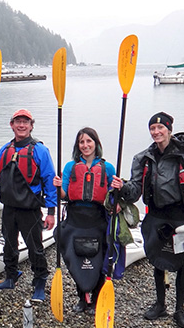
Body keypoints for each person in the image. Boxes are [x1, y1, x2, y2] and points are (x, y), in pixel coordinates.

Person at [111, 112, 184, 328]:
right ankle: (160, 304)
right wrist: (123, 187)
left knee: (182, 262)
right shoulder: (143, 157)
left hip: (181, 216)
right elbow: (135, 191)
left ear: (169, 129)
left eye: (160, 128)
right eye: (153, 129)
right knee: (156, 259)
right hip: (155, 214)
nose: (156, 132)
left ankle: (180, 310)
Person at [0, 108, 56, 302]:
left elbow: (49, 181)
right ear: (12, 125)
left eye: (26, 122)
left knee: (35, 248)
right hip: (9, 208)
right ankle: (11, 276)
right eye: (18, 122)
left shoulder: (40, 150)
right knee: (9, 244)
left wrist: (51, 212)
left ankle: (39, 281)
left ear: (31, 126)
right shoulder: (5, 150)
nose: (21, 125)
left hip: (30, 209)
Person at [52, 127, 115, 314]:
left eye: (89, 141)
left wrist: (119, 190)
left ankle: (96, 299)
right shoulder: (70, 167)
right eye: (81, 142)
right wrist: (56, 187)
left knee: (98, 260)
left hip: (97, 220)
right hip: (75, 220)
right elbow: (63, 195)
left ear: (96, 143)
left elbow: (113, 199)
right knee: (76, 259)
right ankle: (82, 298)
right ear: (77, 146)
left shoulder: (108, 168)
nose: (85, 145)